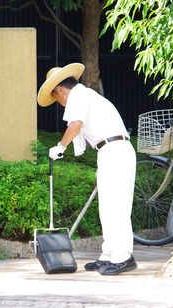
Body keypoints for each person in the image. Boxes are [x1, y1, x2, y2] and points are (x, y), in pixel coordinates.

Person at [37, 63, 137, 275]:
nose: (60, 104)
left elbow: (75, 125)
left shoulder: (79, 96)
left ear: (60, 90)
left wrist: (61, 146)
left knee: (116, 206)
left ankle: (123, 257)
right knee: (107, 207)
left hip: (115, 150)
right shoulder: (84, 96)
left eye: (57, 99)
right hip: (109, 151)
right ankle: (109, 255)